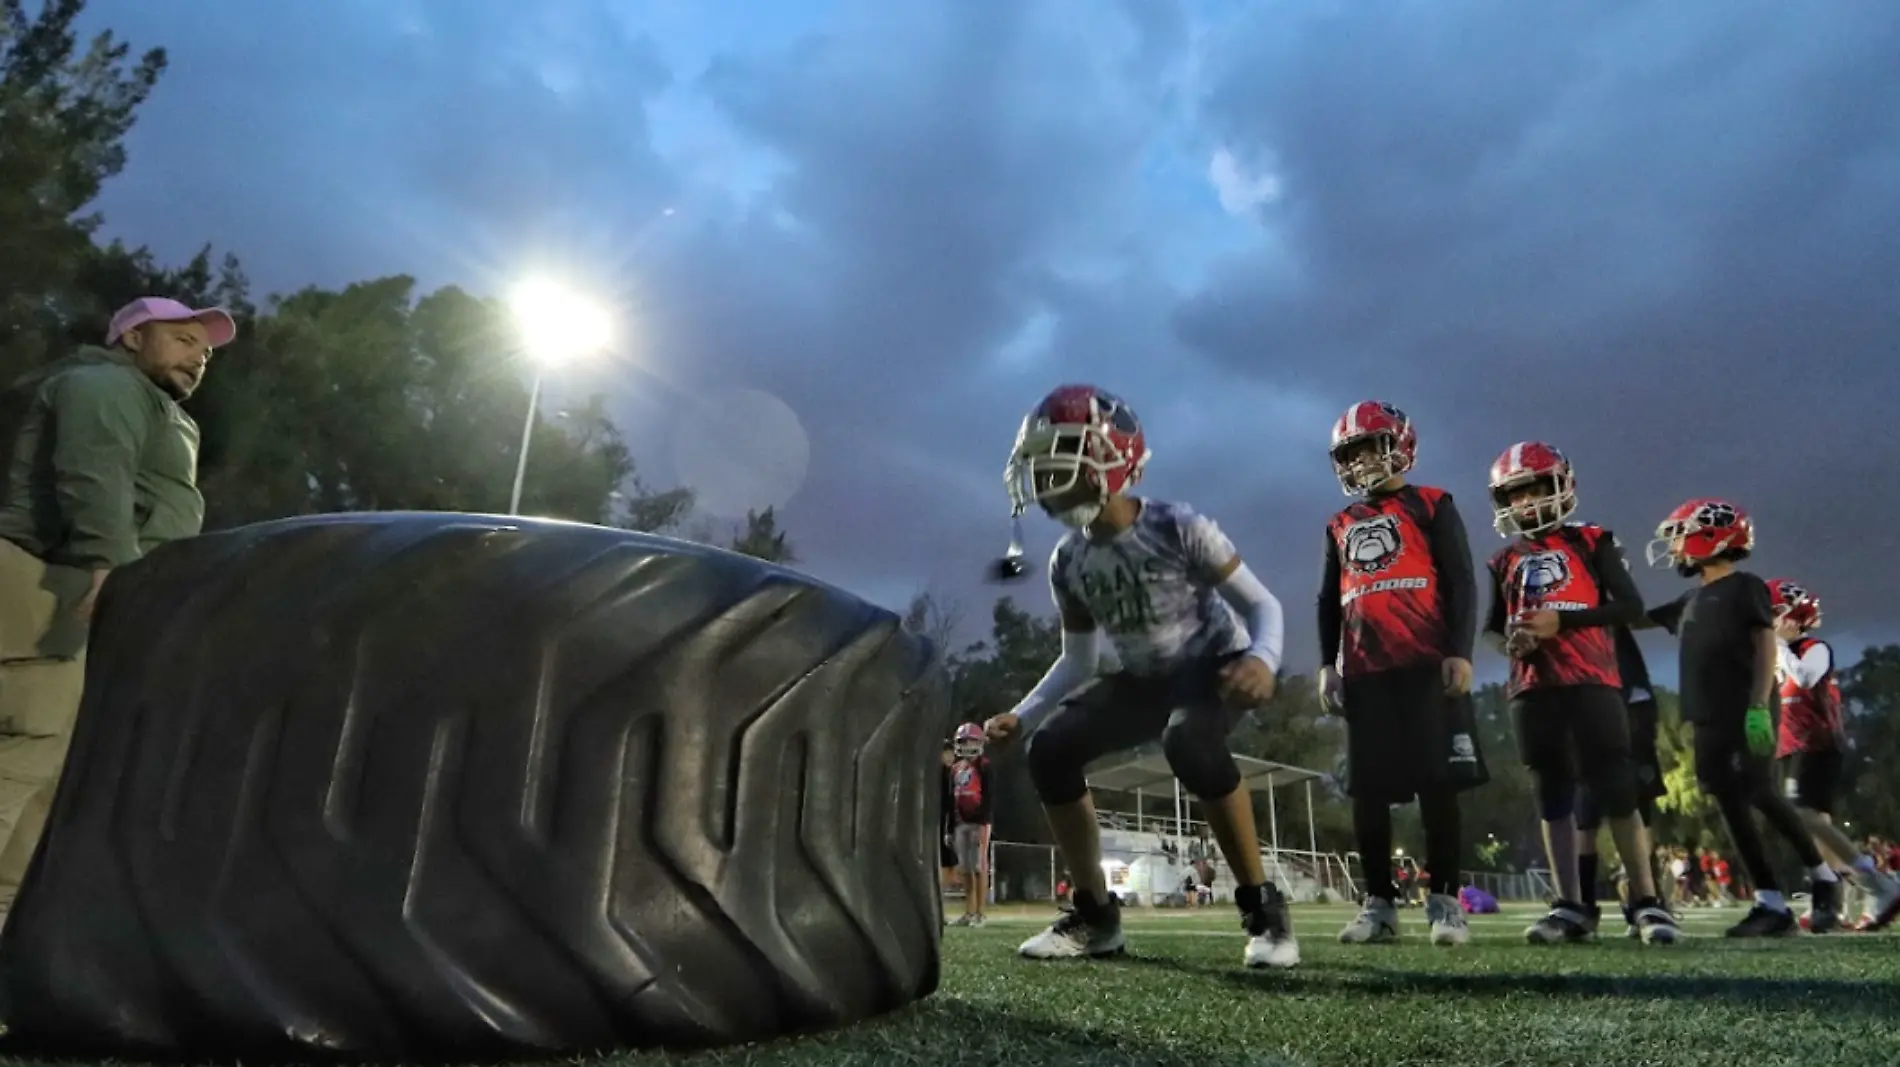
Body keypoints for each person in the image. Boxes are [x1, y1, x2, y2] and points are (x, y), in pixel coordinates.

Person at [983, 384, 1298, 969]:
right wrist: (1021, 718)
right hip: (1145, 677)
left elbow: (1263, 605)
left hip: (1212, 667)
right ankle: (1096, 917)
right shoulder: (1068, 560)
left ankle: (1264, 910)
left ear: (1109, 458)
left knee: (1190, 741)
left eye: (1059, 468)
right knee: (1051, 749)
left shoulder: (1178, 526)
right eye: (1041, 471)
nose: (1046, 486)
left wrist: (1263, 659)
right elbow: (1080, 659)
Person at [0, 296, 235, 924]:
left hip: (81, 598)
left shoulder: (150, 406)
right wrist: (112, 565)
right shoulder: (104, 384)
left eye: (205, 352)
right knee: (23, 766)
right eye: (183, 340)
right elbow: (92, 472)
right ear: (132, 337)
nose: (199, 358)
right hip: (49, 587)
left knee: (43, 790)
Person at [1480, 442, 1678, 945]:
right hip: (1531, 686)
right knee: (1552, 795)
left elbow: (1629, 606)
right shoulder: (1503, 560)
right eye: (1516, 494)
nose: (1526, 503)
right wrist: (1514, 641)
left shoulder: (1593, 541)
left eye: (1534, 490)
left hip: (1592, 679)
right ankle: (1571, 905)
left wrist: (1562, 621)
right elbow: (1489, 629)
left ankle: (1647, 902)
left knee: (1616, 790)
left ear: (1560, 487)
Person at [1318, 401, 1482, 948]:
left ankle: (1445, 902)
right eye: (1351, 452)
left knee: (1438, 784)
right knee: (1367, 791)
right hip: (1365, 670)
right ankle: (1379, 904)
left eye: (1369, 446)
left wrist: (1460, 650)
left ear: (1399, 445)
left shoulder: (1432, 504)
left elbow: (1461, 580)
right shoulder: (1340, 523)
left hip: (1424, 663)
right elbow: (1328, 601)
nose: (1360, 460)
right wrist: (1327, 665)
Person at [1637, 498, 1836, 937]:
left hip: (1746, 707)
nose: (1675, 549)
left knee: (1760, 792)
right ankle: (1770, 901)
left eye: (1680, 536)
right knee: (1728, 800)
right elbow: (1635, 620)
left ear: (1712, 534)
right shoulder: (1691, 598)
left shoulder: (1746, 586)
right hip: (1704, 715)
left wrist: (1759, 705)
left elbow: (1765, 643)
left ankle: (1824, 877)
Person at [1766, 578, 1900, 930]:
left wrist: (1778, 646)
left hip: (1816, 743)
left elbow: (1807, 679)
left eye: (1775, 614)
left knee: (1803, 816)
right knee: (1817, 827)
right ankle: (1831, 901)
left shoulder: (1814, 647)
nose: (1770, 622)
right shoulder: (1779, 653)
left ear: (1794, 615)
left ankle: (1877, 882)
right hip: (1790, 745)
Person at [1574, 624, 1668, 938]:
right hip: (1587, 705)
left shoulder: (1611, 616)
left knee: (1636, 808)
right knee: (1584, 817)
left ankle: (1646, 898)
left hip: (1627, 705)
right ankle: (1583, 904)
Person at [947, 722, 995, 927]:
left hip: (979, 822)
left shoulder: (984, 765)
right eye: (963, 741)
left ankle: (980, 913)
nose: (967, 745)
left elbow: (989, 796)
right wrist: (950, 827)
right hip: (960, 822)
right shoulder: (956, 769)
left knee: (978, 867)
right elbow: (952, 800)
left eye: (971, 741)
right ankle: (969, 912)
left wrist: (984, 821)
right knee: (965, 869)